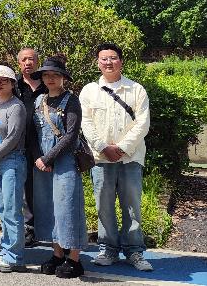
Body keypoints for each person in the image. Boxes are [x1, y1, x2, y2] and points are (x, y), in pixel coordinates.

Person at [80, 43, 153, 271]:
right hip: (101, 159)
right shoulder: (89, 91)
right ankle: (108, 249)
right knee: (104, 206)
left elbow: (143, 123)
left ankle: (134, 251)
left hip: (130, 157)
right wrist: (103, 147)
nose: (108, 62)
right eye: (104, 59)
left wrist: (120, 148)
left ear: (121, 61)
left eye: (113, 58)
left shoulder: (136, 89)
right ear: (98, 63)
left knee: (132, 206)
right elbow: (86, 123)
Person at [30, 57, 87, 279]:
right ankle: (57, 253)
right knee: (48, 208)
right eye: (46, 75)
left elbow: (71, 136)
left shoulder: (71, 101)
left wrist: (48, 158)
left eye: (55, 75)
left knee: (69, 208)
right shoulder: (39, 101)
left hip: (65, 161)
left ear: (63, 77)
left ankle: (74, 258)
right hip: (42, 163)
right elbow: (33, 133)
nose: (50, 78)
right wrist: (38, 157)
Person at [0, 65, 28, 273]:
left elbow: (12, 138)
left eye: (4, 80)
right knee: (1, 208)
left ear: (12, 83)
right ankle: (6, 249)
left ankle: (15, 256)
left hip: (12, 162)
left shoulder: (16, 107)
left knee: (12, 209)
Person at [14, 48, 43, 245]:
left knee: (46, 187)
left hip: (45, 145)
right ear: (19, 64)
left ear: (37, 62)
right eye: (23, 59)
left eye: (31, 59)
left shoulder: (47, 83)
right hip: (21, 145)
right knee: (25, 189)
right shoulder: (14, 86)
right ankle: (29, 229)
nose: (27, 63)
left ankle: (48, 228)